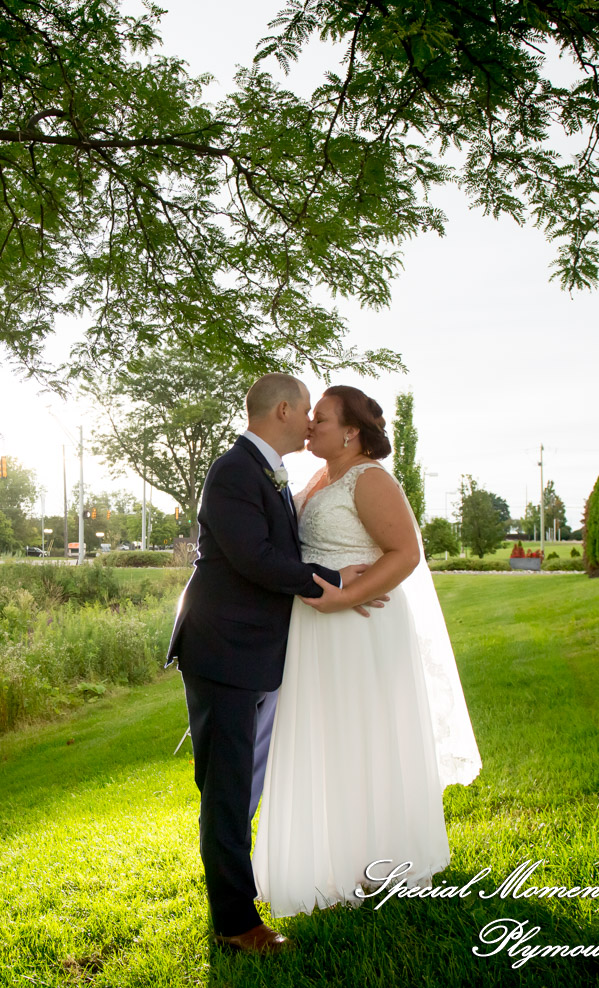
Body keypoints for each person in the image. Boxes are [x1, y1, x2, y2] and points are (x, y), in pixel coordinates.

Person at [167, 373, 384, 955]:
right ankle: (238, 925)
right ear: (283, 410)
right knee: (228, 789)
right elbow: (256, 559)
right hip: (223, 650)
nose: (311, 420)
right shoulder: (234, 470)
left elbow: (274, 555)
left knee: (239, 785)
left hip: (251, 651)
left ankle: (235, 903)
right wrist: (337, 580)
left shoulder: (266, 471)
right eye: (306, 410)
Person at [251, 385, 482, 917]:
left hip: (359, 624)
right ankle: (331, 857)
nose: (311, 426)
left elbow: (406, 552)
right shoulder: (315, 479)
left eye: (323, 419)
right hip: (314, 628)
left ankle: (379, 860)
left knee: (364, 734)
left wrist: (347, 596)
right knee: (326, 737)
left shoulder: (370, 479)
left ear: (352, 431)